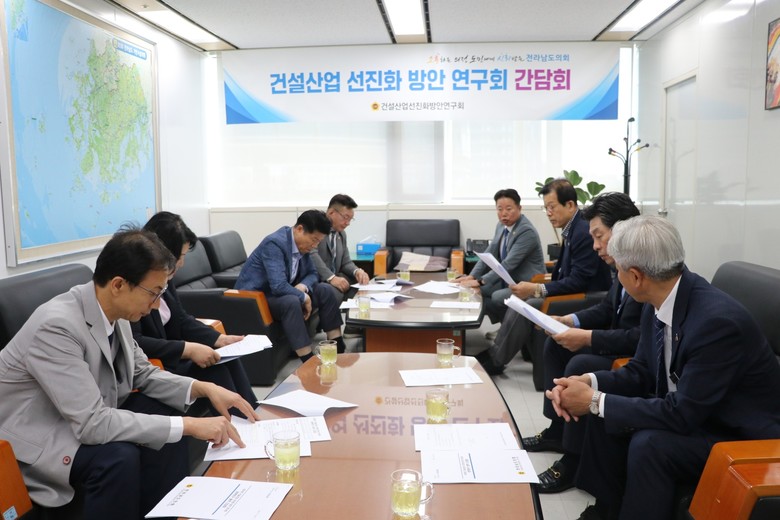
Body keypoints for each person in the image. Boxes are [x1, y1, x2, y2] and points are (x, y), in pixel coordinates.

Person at [0, 228, 259, 519]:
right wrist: (188, 425)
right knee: (119, 457)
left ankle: (165, 514)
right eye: (154, 293)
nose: (157, 304)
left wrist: (205, 388)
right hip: (40, 437)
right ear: (119, 285)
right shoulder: (57, 326)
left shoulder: (116, 312)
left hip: (82, 415)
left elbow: (142, 373)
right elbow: (92, 423)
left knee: (166, 418)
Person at [547, 216, 780, 520]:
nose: (616, 277)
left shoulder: (717, 323)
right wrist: (590, 384)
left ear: (636, 276)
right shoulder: (660, 299)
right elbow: (640, 371)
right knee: (605, 417)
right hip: (697, 411)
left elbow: (683, 414)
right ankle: (606, 510)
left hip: (737, 433)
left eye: (618, 270)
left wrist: (594, 401)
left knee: (650, 444)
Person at [520, 192, 642, 494]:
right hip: (615, 342)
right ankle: (557, 429)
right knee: (556, 344)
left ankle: (573, 459)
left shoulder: (643, 270)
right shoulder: (619, 268)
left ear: (623, 230)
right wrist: (570, 321)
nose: (595, 246)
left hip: (631, 356)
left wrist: (586, 337)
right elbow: (607, 308)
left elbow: (639, 336)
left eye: (599, 236)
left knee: (580, 364)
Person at [477, 178, 612, 375]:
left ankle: (496, 360)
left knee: (528, 305)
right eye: (546, 208)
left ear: (570, 205)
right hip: (570, 292)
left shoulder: (582, 231)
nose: (548, 213)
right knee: (521, 301)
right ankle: (496, 354)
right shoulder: (572, 228)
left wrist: (537, 289)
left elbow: (579, 281)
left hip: (586, 299)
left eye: (552, 207)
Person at [132, 211, 259, 414]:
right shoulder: (137, 286)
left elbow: (181, 319)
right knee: (215, 370)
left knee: (227, 357)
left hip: (172, 357)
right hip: (156, 366)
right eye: (181, 256)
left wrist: (219, 339)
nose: (182, 263)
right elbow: (136, 341)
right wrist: (187, 349)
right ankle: (241, 422)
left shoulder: (166, 278)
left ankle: (253, 413)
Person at [235, 209, 347, 357]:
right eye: (314, 240)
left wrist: (302, 286)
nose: (315, 246)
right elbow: (278, 286)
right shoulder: (275, 243)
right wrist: (303, 297)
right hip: (256, 297)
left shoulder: (302, 245)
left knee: (325, 289)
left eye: (318, 242)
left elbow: (313, 273)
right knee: (291, 301)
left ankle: (337, 347)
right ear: (299, 229)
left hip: (279, 293)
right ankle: (307, 359)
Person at [457, 188, 546, 326]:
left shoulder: (526, 231)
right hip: (508, 279)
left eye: (509, 209)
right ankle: (505, 325)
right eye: (500, 209)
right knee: (474, 291)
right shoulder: (501, 226)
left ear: (519, 208)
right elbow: (489, 253)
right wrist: (472, 276)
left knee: (496, 296)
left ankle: (508, 328)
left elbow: (508, 264)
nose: (504, 213)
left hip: (527, 283)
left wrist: (481, 281)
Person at [312, 194, 370, 301]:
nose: (347, 223)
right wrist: (331, 277)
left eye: (350, 219)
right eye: (345, 217)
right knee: (335, 291)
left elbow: (346, 262)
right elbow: (312, 255)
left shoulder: (341, 234)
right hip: (318, 279)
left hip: (336, 277)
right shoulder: (316, 228)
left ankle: (352, 311)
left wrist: (357, 271)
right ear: (331, 212)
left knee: (360, 284)